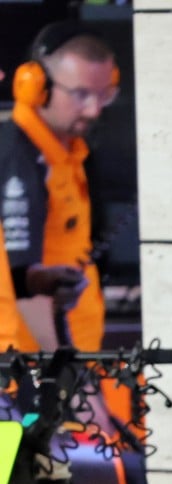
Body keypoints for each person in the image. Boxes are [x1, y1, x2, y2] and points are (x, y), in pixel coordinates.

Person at [0, 21, 116, 350]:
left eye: (105, 94)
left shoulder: (70, 154)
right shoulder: (19, 158)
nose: (93, 109)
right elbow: (22, 279)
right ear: (37, 86)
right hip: (32, 362)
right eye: (81, 94)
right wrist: (61, 367)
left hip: (71, 354)